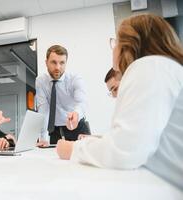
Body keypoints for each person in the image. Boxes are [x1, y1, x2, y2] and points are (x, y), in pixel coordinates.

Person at [56, 14, 183, 190]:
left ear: (129, 46)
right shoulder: (163, 68)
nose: (113, 48)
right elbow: (142, 141)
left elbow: (125, 150)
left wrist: (73, 149)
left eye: (115, 42)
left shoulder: (148, 66)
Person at [36, 45, 90, 146]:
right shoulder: (41, 81)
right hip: (55, 131)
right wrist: (42, 137)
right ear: (46, 62)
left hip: (77, 127)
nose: (57, 67)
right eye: (53, 62)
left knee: (83, 159)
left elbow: (82, 102)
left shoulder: (75, 79)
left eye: (62, 63)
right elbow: (43, 110)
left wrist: (76, 114)